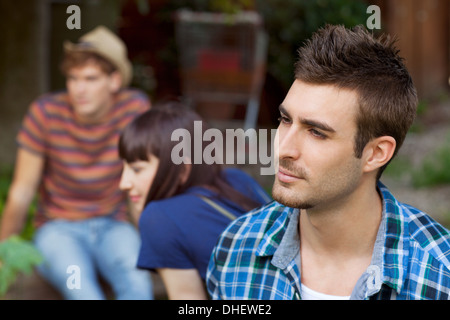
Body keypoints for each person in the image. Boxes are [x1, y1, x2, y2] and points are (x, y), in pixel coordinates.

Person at [206, 24, 450, 300]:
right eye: (286, 120)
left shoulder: (440, 275)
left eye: (316, 132)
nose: (283, 149)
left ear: (376, 153)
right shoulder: (236, 249)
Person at [0, 26, 153, 300]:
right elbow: (21, 192)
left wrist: (157, 242)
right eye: (73, 78)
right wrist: (2, 251)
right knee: (82, 291)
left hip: (114, 225)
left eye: (91, 79)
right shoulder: (45, 112)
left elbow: (141, 187)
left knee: (138, 282)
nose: (79, 89)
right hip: (57, 230)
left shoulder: (134, 110)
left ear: (114, 81)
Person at [118, 100, 271, 299]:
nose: (123, 183)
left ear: (182, 169)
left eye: (136, 169)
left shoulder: (159, 218)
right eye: (124, 168)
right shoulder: (237, 179)